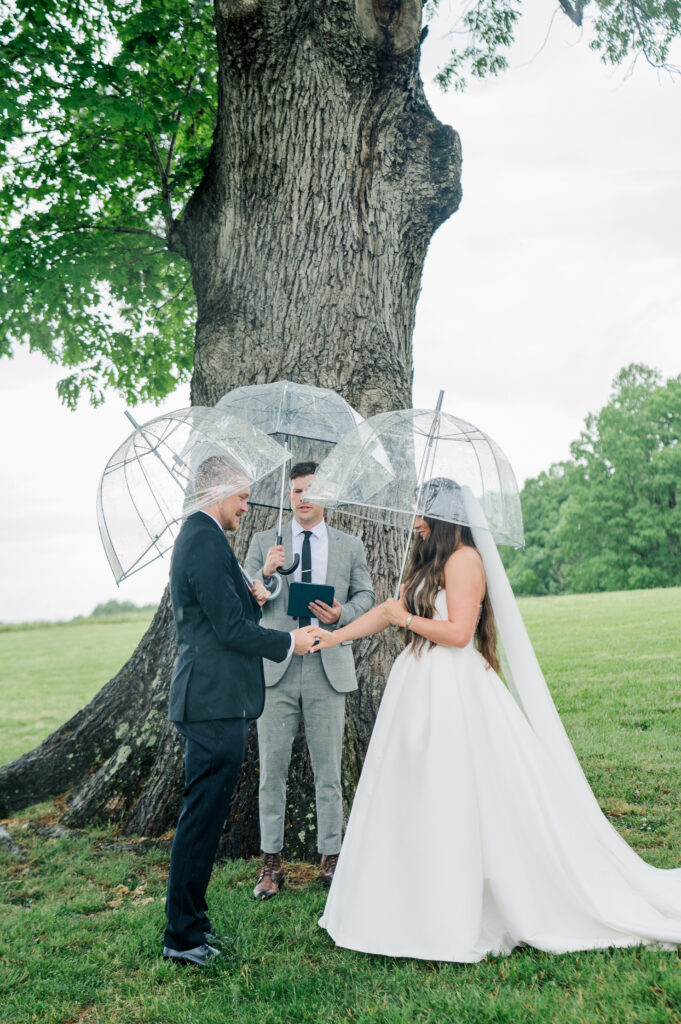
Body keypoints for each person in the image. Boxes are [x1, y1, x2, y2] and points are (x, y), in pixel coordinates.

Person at [311, 479, 681, 961]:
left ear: (444, 517)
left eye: (421, 513)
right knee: (411, 789)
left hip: (453, 688)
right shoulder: (425, 560)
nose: (414, 521)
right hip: (416, 687)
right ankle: (409, 896)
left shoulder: (465, 560)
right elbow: (385, 614)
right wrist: (335, 637)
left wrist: (405, 620)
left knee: (457, 790)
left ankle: (467, 900)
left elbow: (461, 633)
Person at [163, 456, 316, 967]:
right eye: (242, 497)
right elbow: (229, 632)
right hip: (209, 702)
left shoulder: (209, 539)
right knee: (200, 821)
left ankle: (194, 922)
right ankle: (181, 937)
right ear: (217, 492)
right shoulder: (202, 540)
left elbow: (231, 614)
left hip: (219, 700)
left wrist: (258, 590)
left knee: (206, 820)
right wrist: (290, 641)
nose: (246, 507)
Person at [244, 461, 375, 897]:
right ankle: (271, 862)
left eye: (311, 489)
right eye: (296, 490)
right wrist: (264, 573)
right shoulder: (266, 541)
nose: (303, 497)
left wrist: (342, 616)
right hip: (276, 668)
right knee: (271, 771)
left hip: (326, 665)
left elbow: (367, 598)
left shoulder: (349, 546)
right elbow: (243, 596)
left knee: (328, 771)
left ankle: (331, 857)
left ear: (327, 495)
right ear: (288, 496)